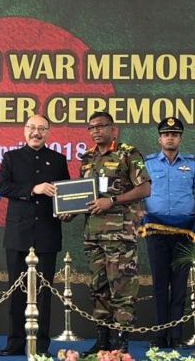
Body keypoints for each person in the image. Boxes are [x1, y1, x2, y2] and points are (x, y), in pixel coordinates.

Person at [0, 114, 70, 357]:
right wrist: (33, 189)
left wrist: (67, 211)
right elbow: (3, 187)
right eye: (31, 128)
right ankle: (15, 342)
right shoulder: (11, 157)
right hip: (18, 235)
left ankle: (41, 345)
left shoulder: (58, 160)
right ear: (24, 130)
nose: (36, 133)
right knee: (16, 291)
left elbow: (67, 194)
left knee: (43, 293)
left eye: (41, 129)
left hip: (48, 234)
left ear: (48, 133)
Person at [78, 112, 151, 356]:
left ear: (113, 129)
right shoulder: (87, 158)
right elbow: (84, 197)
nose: (96, 131)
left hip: (120, 234)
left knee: (121, 290)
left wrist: (113, 200)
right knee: (99, 290)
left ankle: (121, 343)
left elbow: (145, 188)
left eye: (101, 126)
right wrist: (71, 211)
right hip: (94, 235)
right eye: (91, 128)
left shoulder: (128, 153)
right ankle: (103, 340)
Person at [140, 117, 195, 349]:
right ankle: (160, 335)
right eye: (166, 134)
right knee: (160, 284)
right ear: (159, 138)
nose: (170, 137)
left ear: (180, 138)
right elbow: (137, 190)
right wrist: (138, 211)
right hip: (156, 231)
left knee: (179, 286)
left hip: (184, 232)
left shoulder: (192, 164)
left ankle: (176, 337)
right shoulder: (148, 164)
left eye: (175, 134)